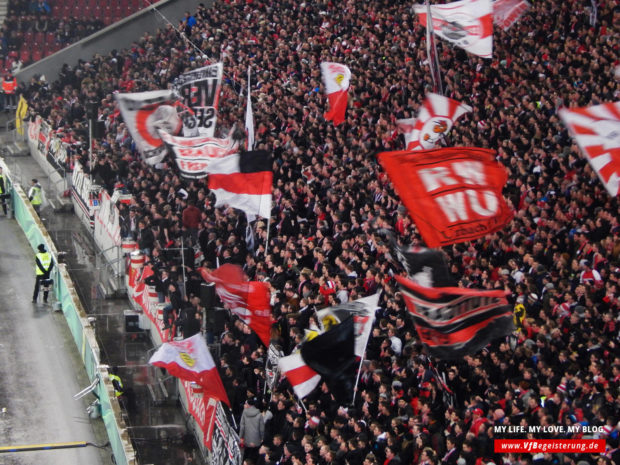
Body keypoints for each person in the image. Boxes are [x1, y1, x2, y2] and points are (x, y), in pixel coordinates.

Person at [239, 398, 265, 463]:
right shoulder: (259, 414)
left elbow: (242, 426)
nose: (244, 405)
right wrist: (262, 437)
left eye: (245, 404)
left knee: (246, 455)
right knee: (254, 456)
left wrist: (241, 437)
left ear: (249, 405)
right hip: (256, 440)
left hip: (247, 438)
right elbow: (261, 428)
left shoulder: (245, 413)